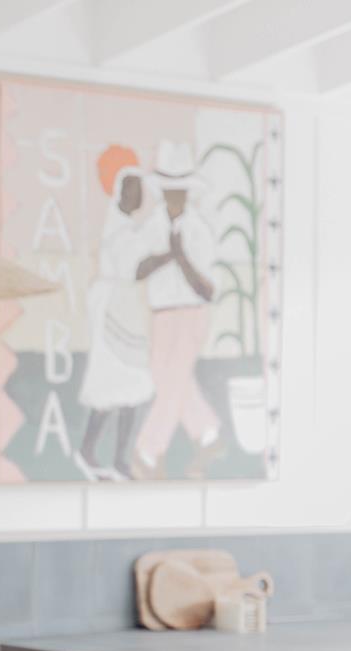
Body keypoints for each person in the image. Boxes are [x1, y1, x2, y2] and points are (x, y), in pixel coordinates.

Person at [131, 139, 224, 478]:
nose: (174, 196)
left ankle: (149, 451)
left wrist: (181, 256)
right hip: (162, 312)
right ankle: (207, 432)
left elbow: (207, 288)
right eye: (169, 189)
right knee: (165, 377)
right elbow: (137, 270)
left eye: (180, 190)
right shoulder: (152, 226)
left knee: (172, 380)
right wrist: (167, 255)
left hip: (191, 311)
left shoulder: (198, 230)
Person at [76, 144, 158, 480]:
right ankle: (98, 453)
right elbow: (136, 268)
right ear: (122, 191)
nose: (140, 195)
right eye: (135, 188)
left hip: (123, 309)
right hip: (114, 311)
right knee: (119, 384)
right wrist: (173, 255)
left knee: (129, 386)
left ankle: (115, 458)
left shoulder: (128, 228)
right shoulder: (119, 231)